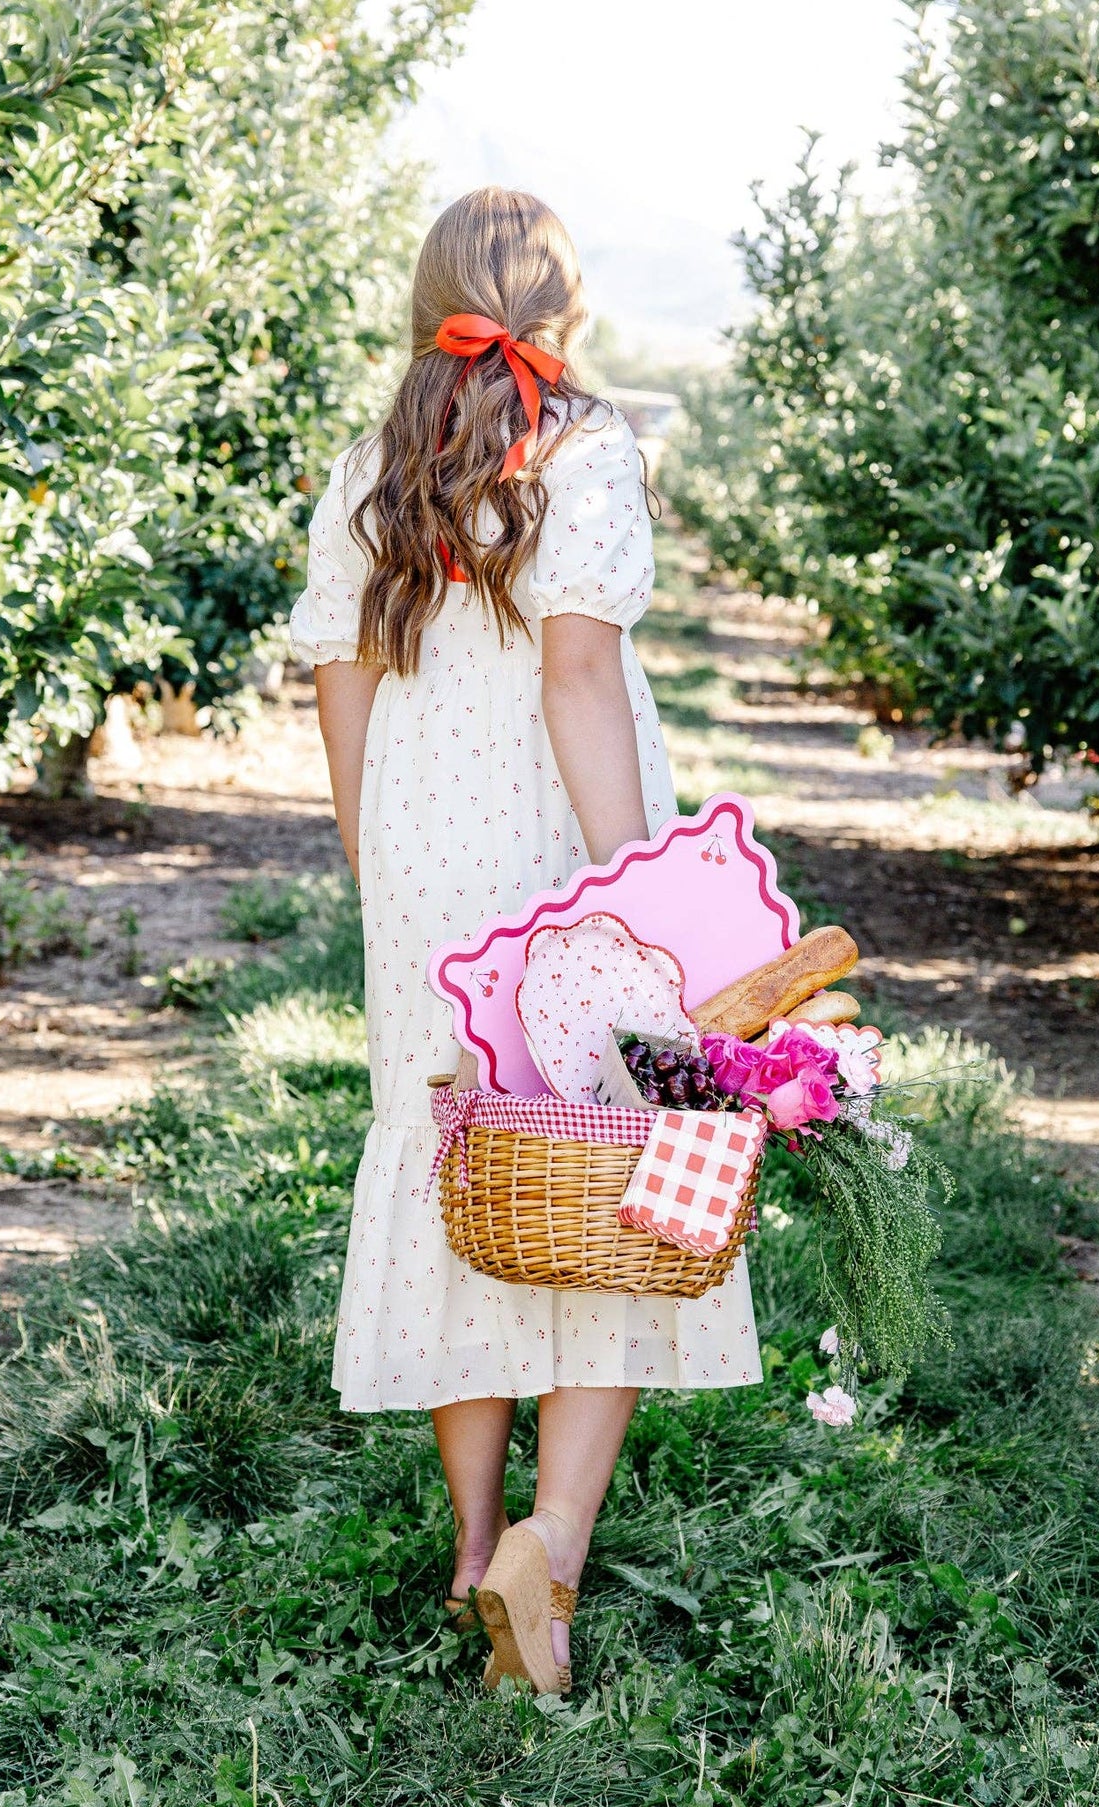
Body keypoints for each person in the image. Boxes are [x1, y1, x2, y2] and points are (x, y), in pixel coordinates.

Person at [290, 187, 762, 1696]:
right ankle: (544, 1561)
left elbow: (343, 683)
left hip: (426, 863)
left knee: (466, 1172)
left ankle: (471, 1539)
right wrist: (638, 891)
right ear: (561, 303)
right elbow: (576, 682)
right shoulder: (582, 451)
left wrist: (376, 852)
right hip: (563, 855)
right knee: (608, 1186)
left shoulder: (376, 463)